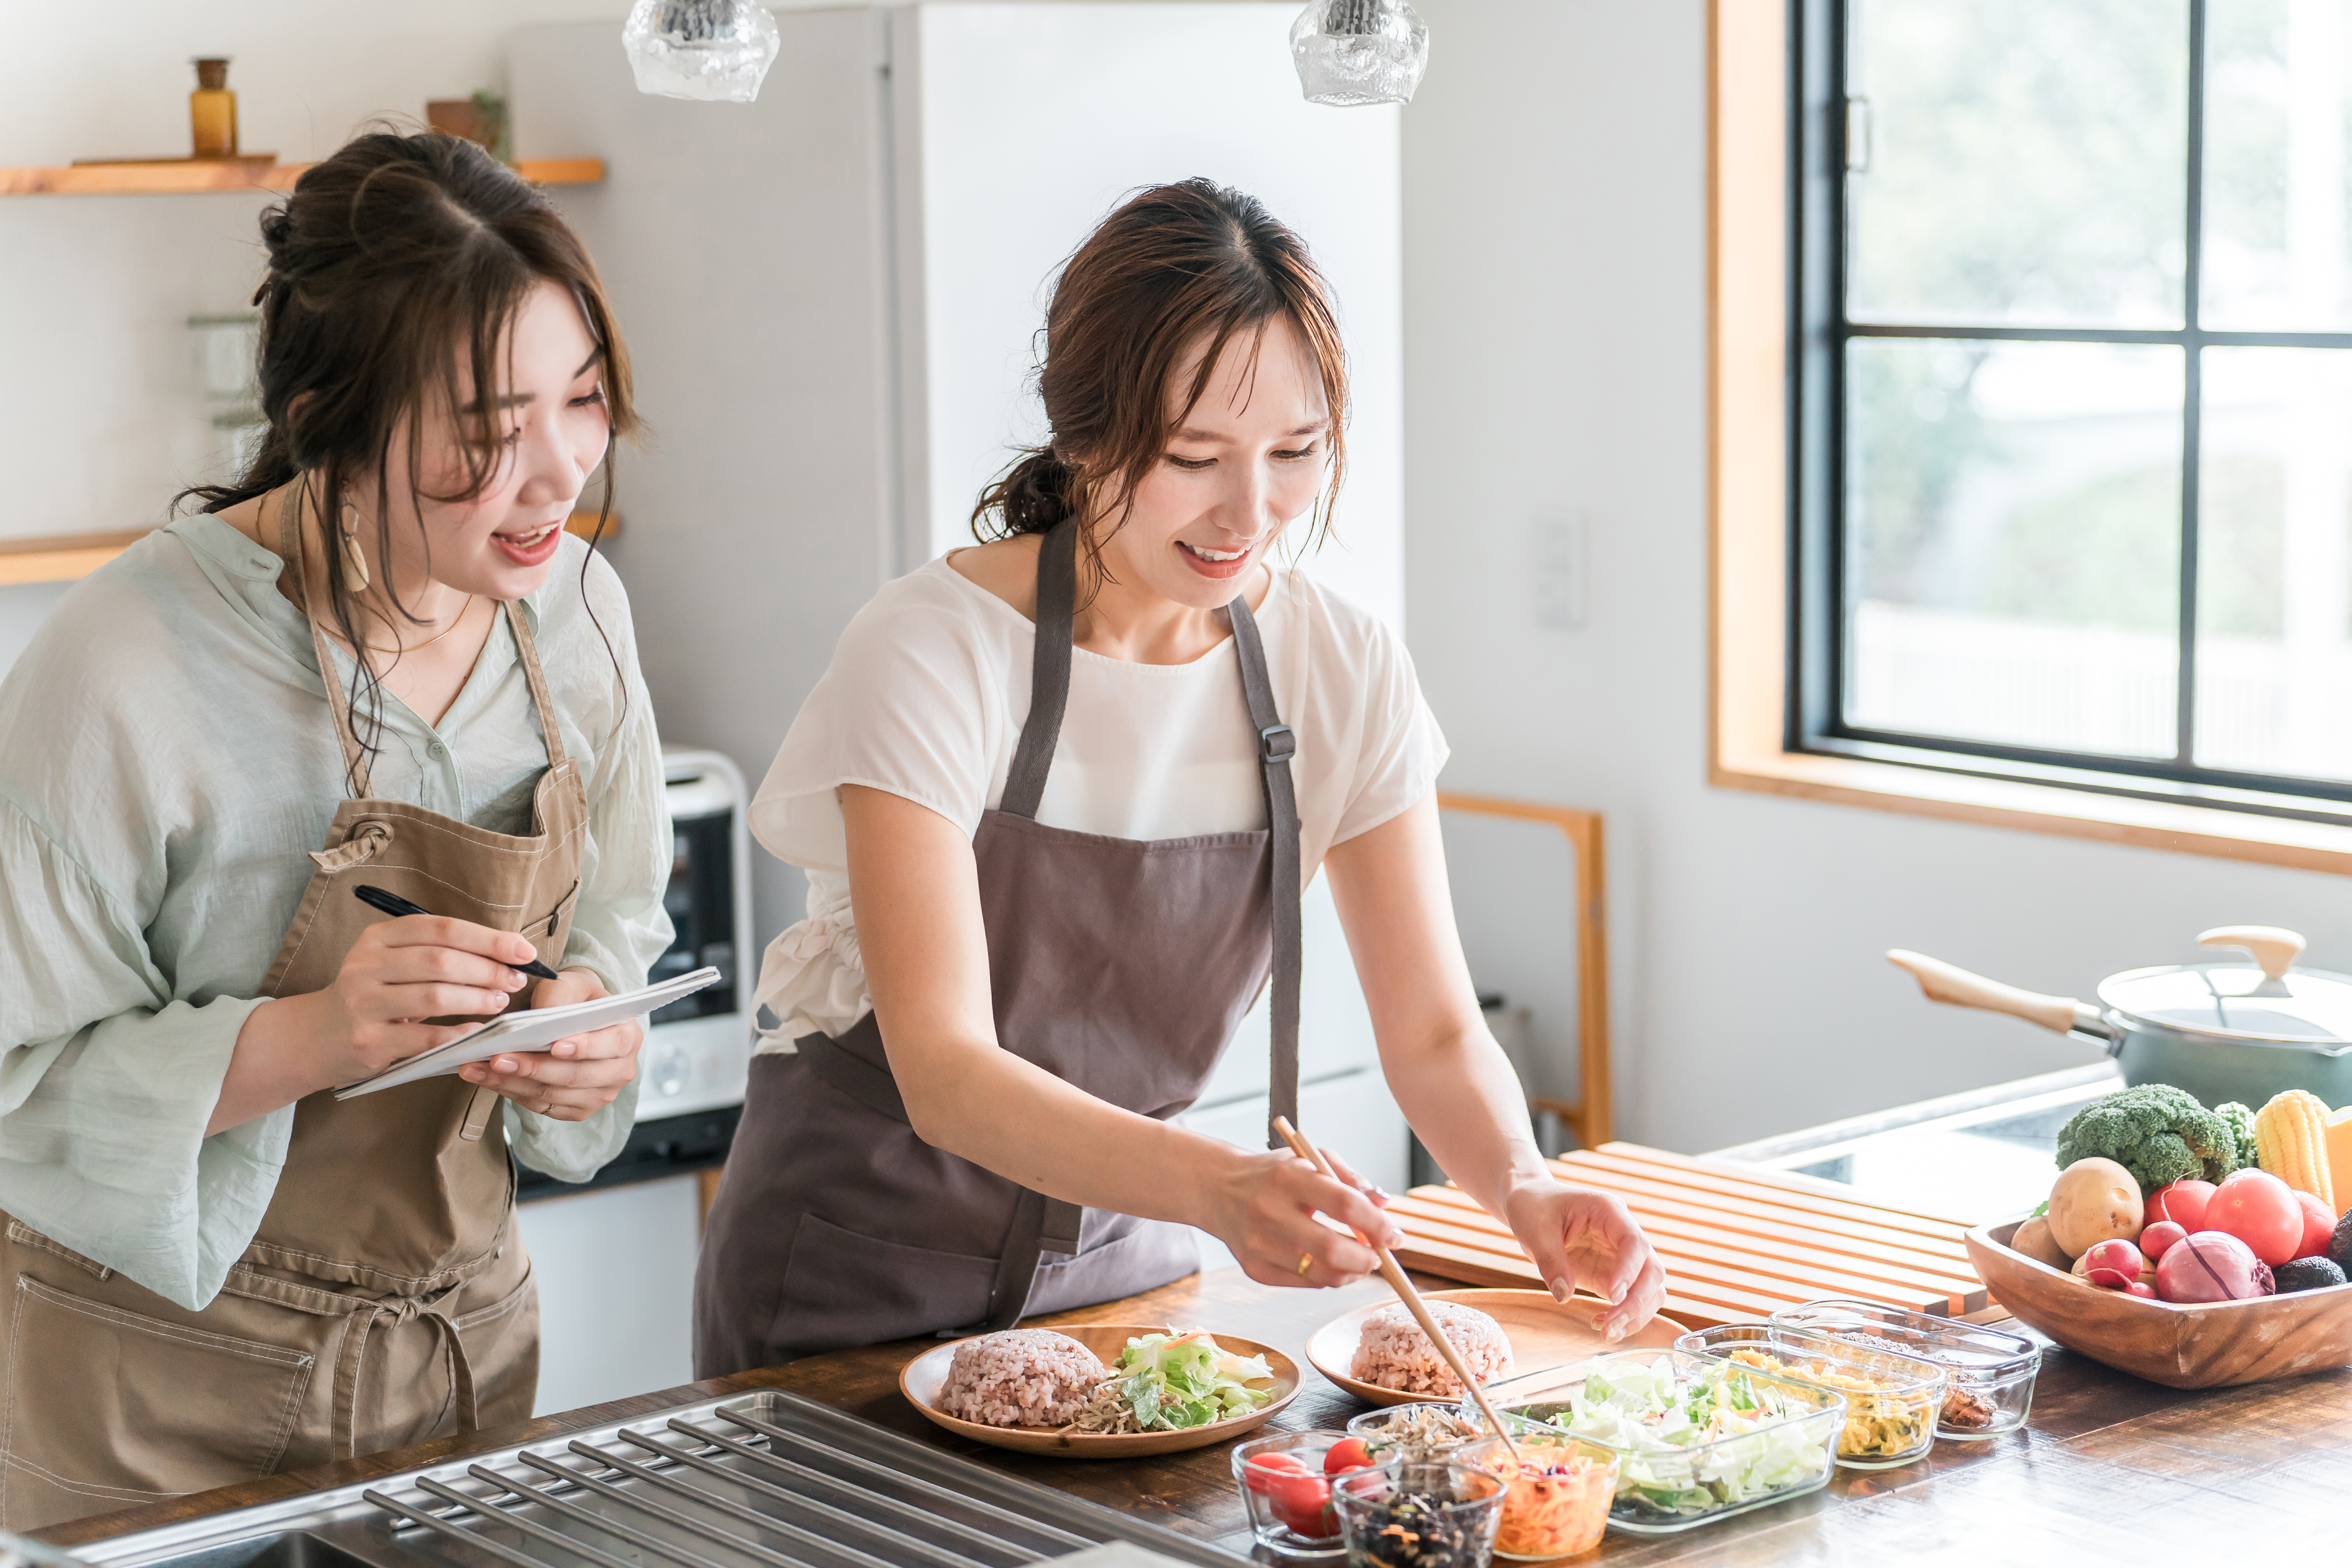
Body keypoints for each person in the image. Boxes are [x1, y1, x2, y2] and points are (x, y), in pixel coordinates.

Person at [694, 180, 1664, 1374]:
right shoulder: (931, 649)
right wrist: (1218, 1186)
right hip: (853, 1275)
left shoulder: (1340, 666)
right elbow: (944, 1071)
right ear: (1085, 434)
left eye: (1296, 454)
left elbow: (1432, 1027)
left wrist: (1524, 1188)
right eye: (1195, 456)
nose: (1249, 512)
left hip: (1123, 1286)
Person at [0, 133, 672, 1531]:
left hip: (458, 1361)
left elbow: (619, 900)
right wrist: (316, 1036)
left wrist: (595, 1015)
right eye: (490, 433)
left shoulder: (579, 615)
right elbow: (14, 1084)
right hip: (159, 1389)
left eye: (587, 400)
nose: (555, 474)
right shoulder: (123, 666)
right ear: (331, 420)